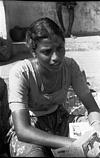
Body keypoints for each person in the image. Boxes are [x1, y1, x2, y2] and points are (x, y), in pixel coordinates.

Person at [7, 17, 100, 157]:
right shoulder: (21, 72)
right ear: (34, 52)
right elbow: (22, 130)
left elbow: (92, 107)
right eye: (47, 51)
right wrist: (72, 143)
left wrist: (96, 129)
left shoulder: (70, 66)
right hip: (32, 127)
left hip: (60, 120)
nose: (56, 57)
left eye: (60, 48)